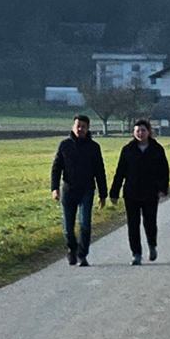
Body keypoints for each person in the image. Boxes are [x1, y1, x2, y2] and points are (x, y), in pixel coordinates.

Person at [110, 119, 170, 266]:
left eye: (143, 130)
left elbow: (164, 170)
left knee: (150, 222)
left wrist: (163, 188)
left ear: (148, 132)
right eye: (137, 131)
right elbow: (120, 172)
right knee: (133, 224)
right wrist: (114, 192)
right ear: (133, 132)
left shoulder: (157, 149)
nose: (140, 133)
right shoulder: (128, 150)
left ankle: (152, 245)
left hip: (150, 192)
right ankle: (136, 253)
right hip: (131, 193)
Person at [51, 114, 107, 267]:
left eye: (83, 126)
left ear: (88, 129)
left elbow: (100, 171)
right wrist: (54, 188)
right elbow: (56, 168)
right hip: (68, 191)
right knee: (68, 228)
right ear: (73, 127)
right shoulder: (64, 145)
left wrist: (103, 194)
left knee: (85, 224)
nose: (80, 129)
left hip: (86, 191)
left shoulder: (94, 147)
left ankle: (82, 255)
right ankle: (72, 249)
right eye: (78, 126)